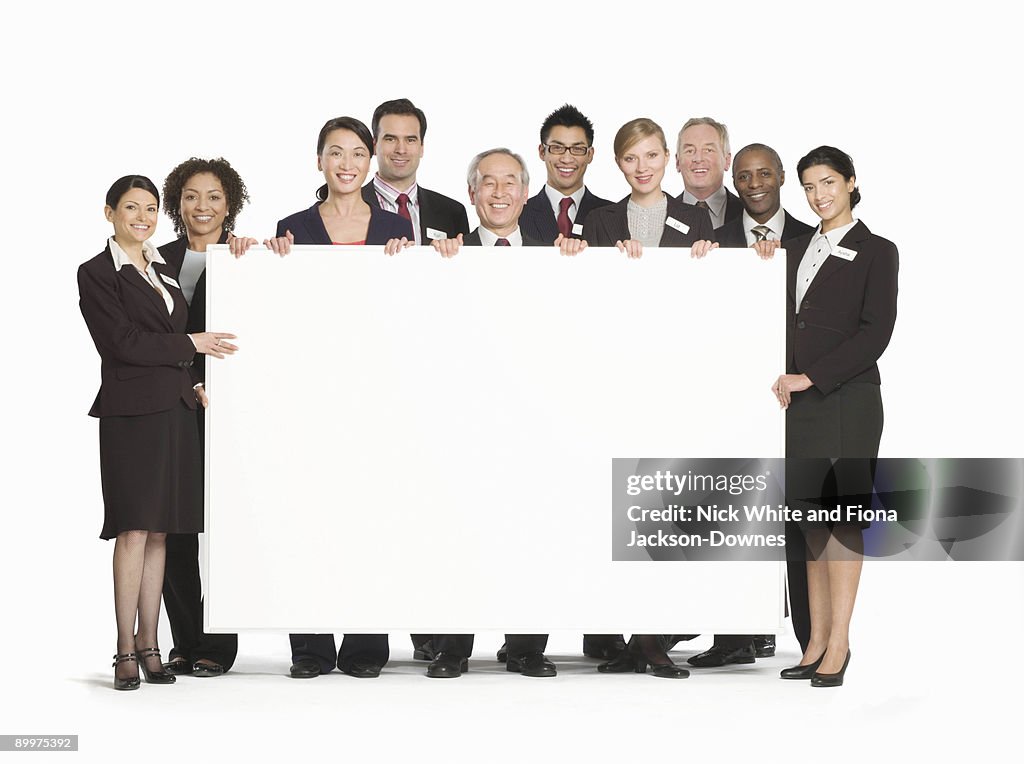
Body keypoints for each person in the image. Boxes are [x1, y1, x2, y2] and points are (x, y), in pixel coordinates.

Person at [265, 116, 414, 679]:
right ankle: (309, 647)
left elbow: (412, 308)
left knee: (371, 516)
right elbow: (276, 304)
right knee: (311, 515)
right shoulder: (293, 227)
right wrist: (267, 258)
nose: (347, 163)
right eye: (335, 153)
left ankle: (366, 645)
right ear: (319, 160)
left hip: (378, 392)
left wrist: (414, 260)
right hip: (312, 390)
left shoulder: (396, 227)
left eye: (357, 153)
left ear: (371, 162)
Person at [426, 148, 581, 679]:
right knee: (458, 527)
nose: (498, 193)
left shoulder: (556, 255)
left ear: (524, 192)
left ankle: (526, 647)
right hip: (463, 417)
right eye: (486, 183)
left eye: (509, 183)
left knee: (532, 526)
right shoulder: (444, 256)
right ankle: (451, 646)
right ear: (471, 194)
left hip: (534, 417)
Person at [78, 175, 238, 690]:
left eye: (149, 208)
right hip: (132, 416)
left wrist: (194, 384)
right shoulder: (98, 273)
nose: (143, 217)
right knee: (133, 530)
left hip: (174, 411)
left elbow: (170, 340)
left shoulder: (162, 269)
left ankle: (151, 644)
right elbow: (122, 342)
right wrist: (193, 344)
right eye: (131, 208)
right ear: (110, 213)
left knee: (163, 532)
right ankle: (124, 648)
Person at [772, 146, 898, 687]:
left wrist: (812, 376)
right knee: (809, 524)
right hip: (799, 405)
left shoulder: (877, 250)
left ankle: (840, 643)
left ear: (850, 182)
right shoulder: (795, 248)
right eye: (808, 187)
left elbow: (876, 333)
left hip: (847, 399)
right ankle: (816, 640)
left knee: (841, 521)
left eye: (828, 183)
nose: (819, 195)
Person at [688, 143, 814, 669]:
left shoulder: (814, 240)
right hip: (734, 399)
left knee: (803, 521)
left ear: (782, 176)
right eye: (744, 175)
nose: (755, 182)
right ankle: (736, 635)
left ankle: (813, 642)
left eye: (765, 173)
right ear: (732, 181)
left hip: (804, 397)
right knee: (734, 510)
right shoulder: (713, 242)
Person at [157, 157, 257, 677]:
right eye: (192, 196)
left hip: (229, 408)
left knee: (225, 526)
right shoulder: (156, 258)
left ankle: (217, 646)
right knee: (176, 529)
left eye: (214, 196)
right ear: (177, 203)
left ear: (229, 203)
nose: (203, 206)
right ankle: (185, 640)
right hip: (171, 406)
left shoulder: (246, 256)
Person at [583, 117, 716, 258]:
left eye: (652, 155)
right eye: (630, 158)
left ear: (666, 156)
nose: (642, 168)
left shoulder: (698, 218)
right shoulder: (598, 220)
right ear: (618, 162)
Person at [519, 103, 613, 245]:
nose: (567, 159)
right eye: (557, 148)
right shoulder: (518, 214)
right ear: (542, 152)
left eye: (577, 149)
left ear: (590, 155)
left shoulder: (612, 216)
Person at [675, 117, 742, 229]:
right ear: (677, 162)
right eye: (689, 151)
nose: (698, 158)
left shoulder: (746, 212)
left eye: (708, 150)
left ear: (727, 160)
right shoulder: (663, 215)